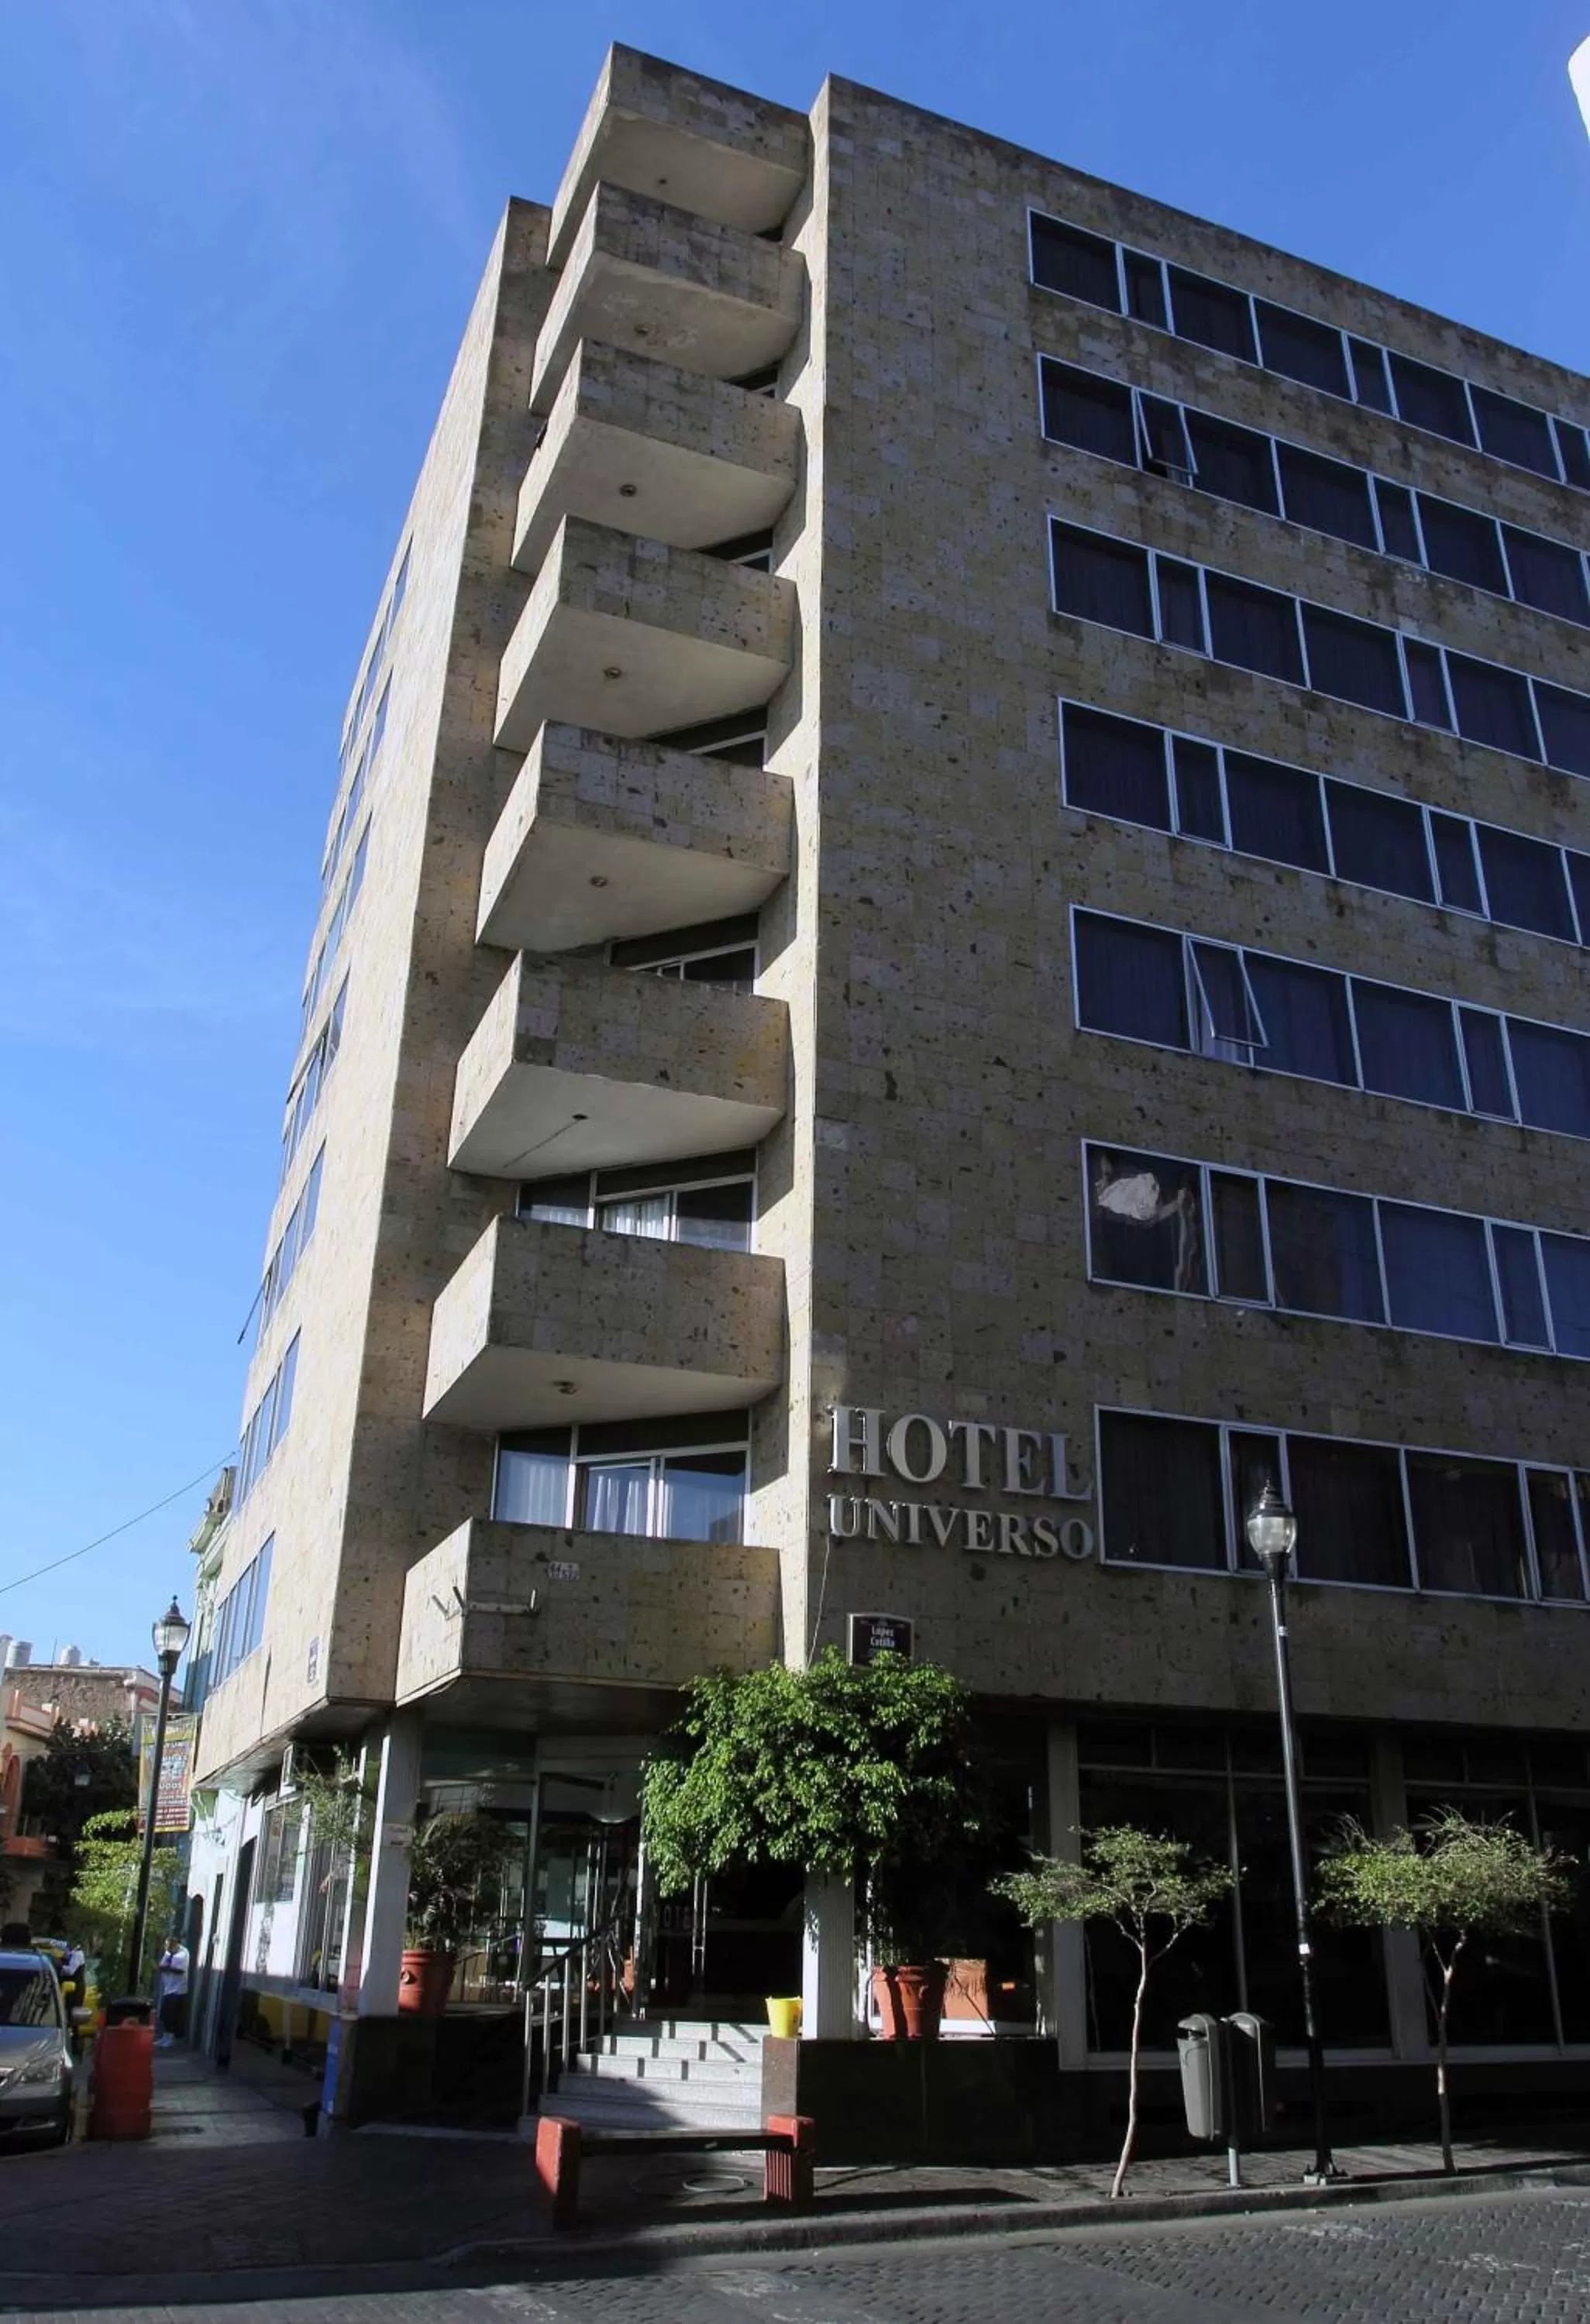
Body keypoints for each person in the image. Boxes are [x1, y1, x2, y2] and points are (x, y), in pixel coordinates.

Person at [154, 1930, 190, 2047]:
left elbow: (179, 1970)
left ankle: (171, 2037)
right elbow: (162, 1966)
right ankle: (165, 2036)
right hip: (168, 1988)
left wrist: (168, 1968)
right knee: (164, 2014)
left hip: (178, 1990)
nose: (167, 1950)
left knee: (172, 2015)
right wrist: (166, 1967)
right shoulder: (169, 1952)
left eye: (169, 1947)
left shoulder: (183, 1953)